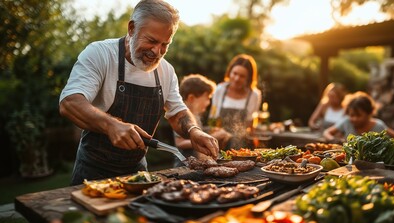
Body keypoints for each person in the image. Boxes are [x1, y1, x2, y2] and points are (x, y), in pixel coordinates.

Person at [59, 0, 219, 185]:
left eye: (164, 44)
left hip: (138, 175)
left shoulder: (166, 71)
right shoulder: (100, 54)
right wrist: (110, 125)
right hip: (93, 174)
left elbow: (178, 113)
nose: (156, 51)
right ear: (132, 28)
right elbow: (70, 102)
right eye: (151, 41)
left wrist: (193, 131)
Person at [208, 54, 262, 148]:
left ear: (248, 78)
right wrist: (216, 134)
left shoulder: (254, 95)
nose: (237, 79)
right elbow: (213, 118)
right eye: (235, 73)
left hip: (241, 144)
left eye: (242, 76)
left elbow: (250, 124)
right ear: (229, 72)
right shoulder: (220, 89)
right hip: (219, 140)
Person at [174, 74, 232, 159]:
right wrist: (214, 137)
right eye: (207, 98)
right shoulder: (181, 116)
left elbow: (196, 131)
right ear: (191, 98)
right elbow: (179, 142)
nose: (209, 102)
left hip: (198, 163)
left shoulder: (195, 115)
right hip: (184, 165)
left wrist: (210, 130)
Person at [323, 91, 394, 143]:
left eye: (358, 115)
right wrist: (333, 139)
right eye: (352, 115)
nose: (354, 119)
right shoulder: (346, 122)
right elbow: (327, 132)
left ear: (369, 114)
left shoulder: (378, 126)